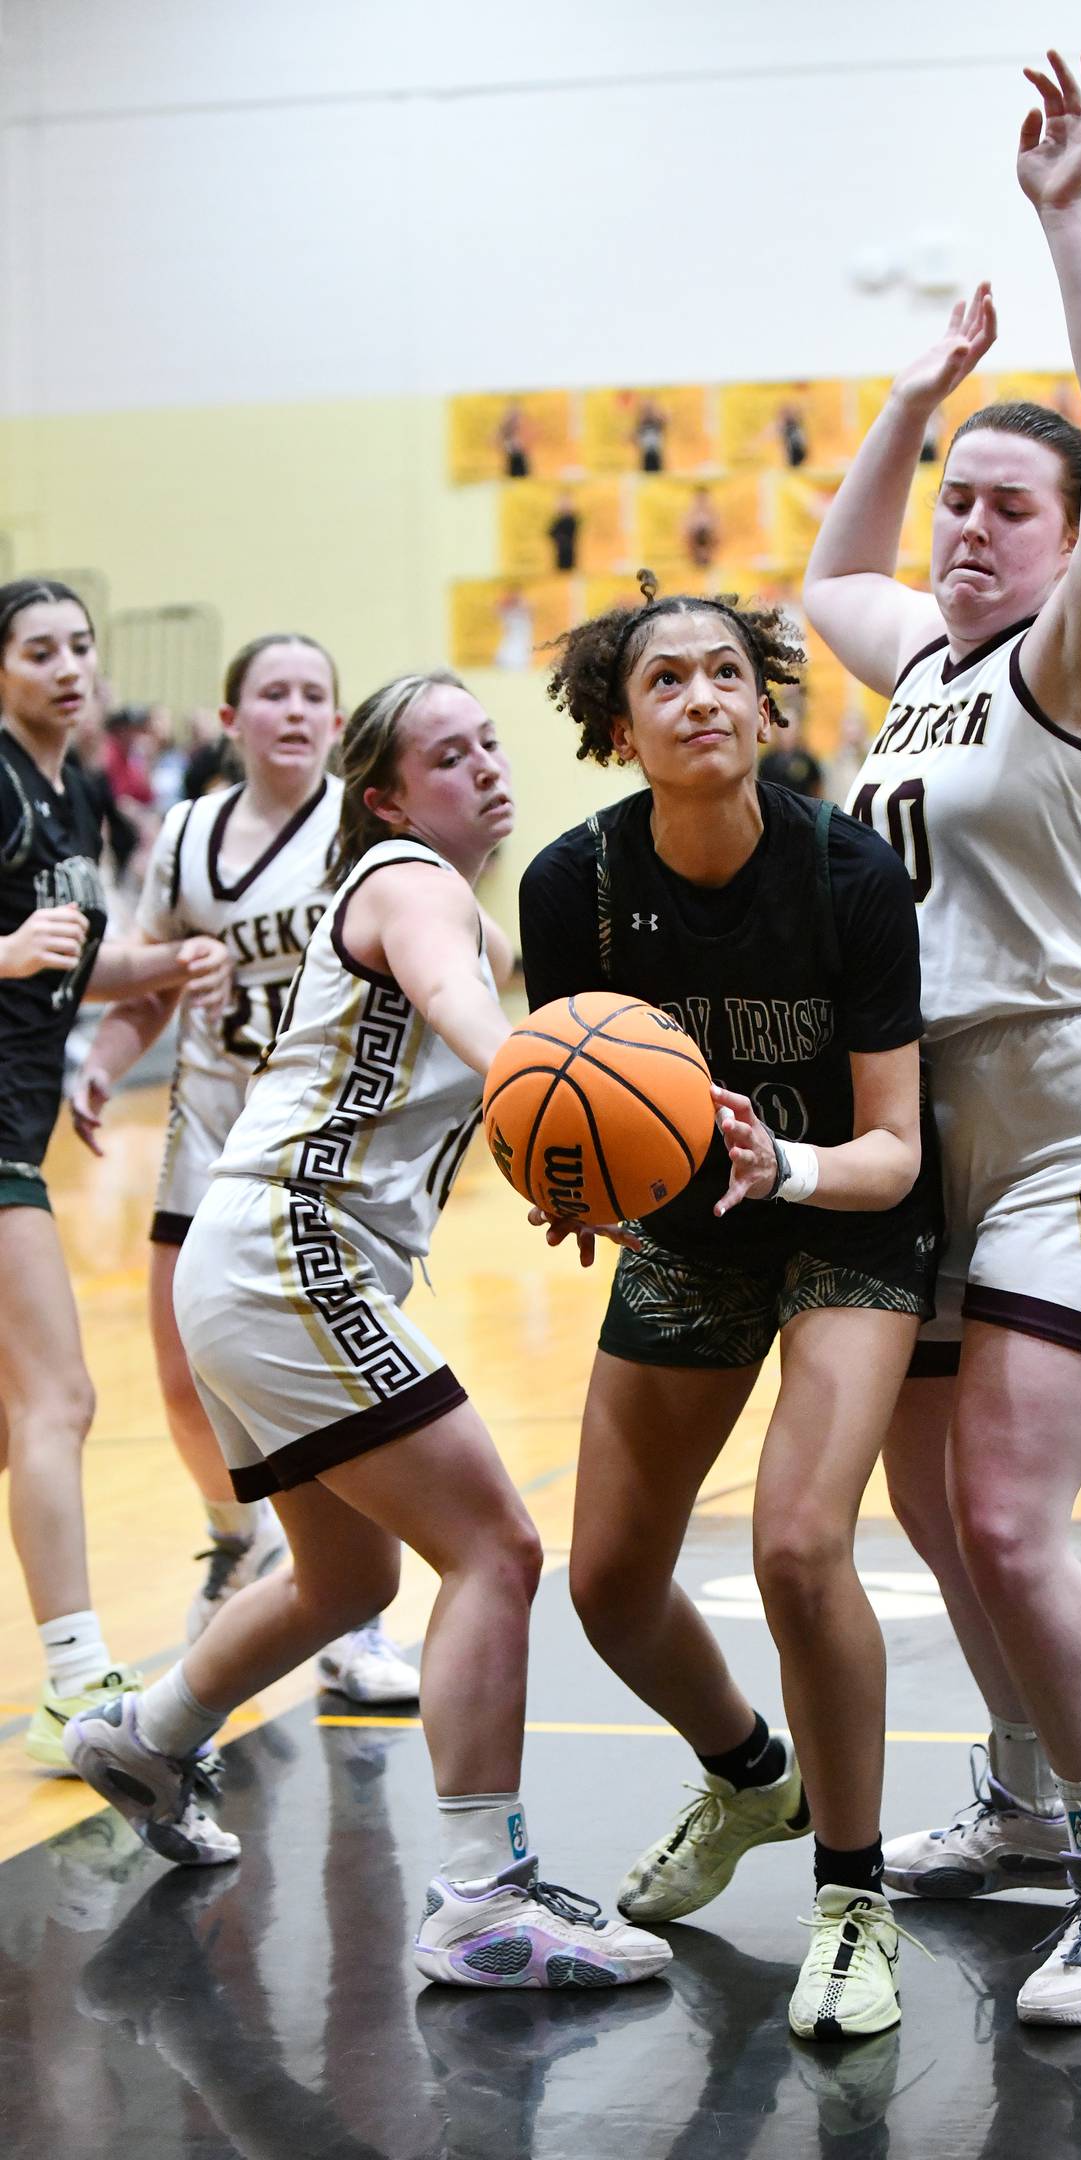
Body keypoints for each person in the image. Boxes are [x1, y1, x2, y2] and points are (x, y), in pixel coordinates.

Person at [802, 51, 1081, 2026]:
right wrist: (911, 398)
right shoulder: (930, 666)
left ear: (1065, 542)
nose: (964, 528)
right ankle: (1033, 1803)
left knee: (999, 1509)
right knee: (922, 1505)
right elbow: (822, 582)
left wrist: (1065, 223)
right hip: (942, 1129)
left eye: (1000, 504)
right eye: (956, 502)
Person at [64, 668, 667, 1990]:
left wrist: (560, 1170)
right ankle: (483, 1898)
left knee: (350, 1584)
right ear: (385, 797)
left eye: (492, 745)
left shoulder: (438, 907)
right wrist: (549, 1092)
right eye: (450, 756)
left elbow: (458, 1068)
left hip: (249, 1257)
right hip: (294, 1253)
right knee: (498, 1550)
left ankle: (150, 1738)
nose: (488, 768)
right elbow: (466, 1015)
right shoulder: (411, 881)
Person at [519, 577, 941, 2040]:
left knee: (797, 1545)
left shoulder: (847, 876)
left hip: (846, 1215)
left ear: (769, 707)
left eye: (725, 675)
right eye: (664, 683)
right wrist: (570, 1179)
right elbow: (558, 1099)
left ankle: (854, 1895)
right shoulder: (574, 889)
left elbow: (898, 1144)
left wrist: (789, 1162)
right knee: (608, 1585)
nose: (700, 698)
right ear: (620, 730)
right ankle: (755, 1776)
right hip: (693, 1235)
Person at [70, 634, 420, 1704]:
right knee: (182, 1382)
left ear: (336, 717)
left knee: (333, 1391)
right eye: (274, 693)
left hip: (323, 1144)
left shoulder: (365, 826)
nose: (297, 710)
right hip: (211, 1128)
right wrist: (103, 1068)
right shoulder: (184, 836)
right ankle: (239, 1538)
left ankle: (355, 1617)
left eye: (317, 692)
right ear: (231, 721)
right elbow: (150, 986)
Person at [0, 578, 232, 1765]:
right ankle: (76, 1678)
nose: (69, 665)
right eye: (39, 649)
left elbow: (69, 967)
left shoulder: (74, 788)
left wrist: (168, 963)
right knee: (59, 1398)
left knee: (15, 1423)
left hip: (22, 1119)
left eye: (82, 645)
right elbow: (21, 954)